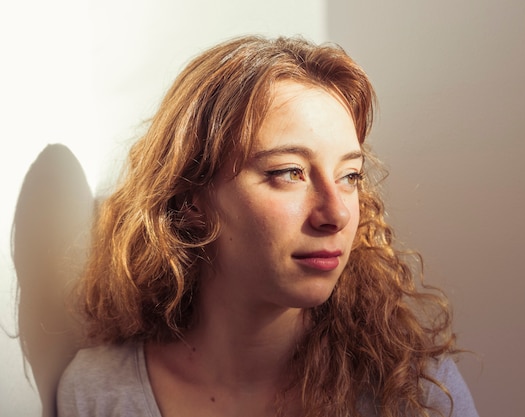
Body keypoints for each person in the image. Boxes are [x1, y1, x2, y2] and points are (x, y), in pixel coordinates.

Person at [57, 35, 479, 417]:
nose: (337, 213)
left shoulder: (411, 391)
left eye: (350, 176)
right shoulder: (101, 393)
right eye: (289, 172)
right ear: (191, 201)